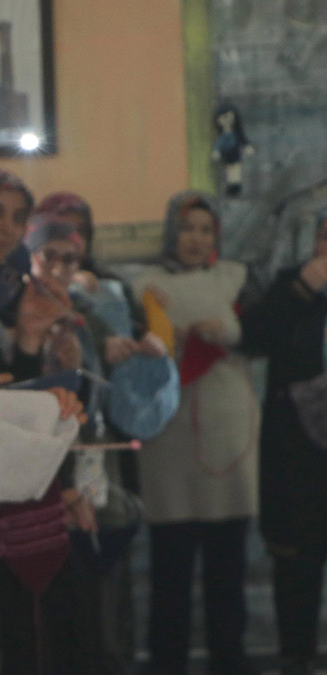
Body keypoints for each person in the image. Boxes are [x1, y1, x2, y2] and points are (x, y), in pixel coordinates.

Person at [135, 191, 259, 675]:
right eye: (188, 228)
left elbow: (261, 335)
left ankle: (231, 661)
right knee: (171, 571)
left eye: (206, 230)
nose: (195, 239)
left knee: (228, 572)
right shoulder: (145, 286)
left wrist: (225, 333)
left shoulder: (239, 281)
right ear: (172, 231)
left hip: (229, 433)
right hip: (170, 438)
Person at [240, 212, 327, 675]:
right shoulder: (291, 285)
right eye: (325, 235)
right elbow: (251, 337)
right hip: (297, 460)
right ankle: (296, 657)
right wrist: (304, 287)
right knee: (297, 567)